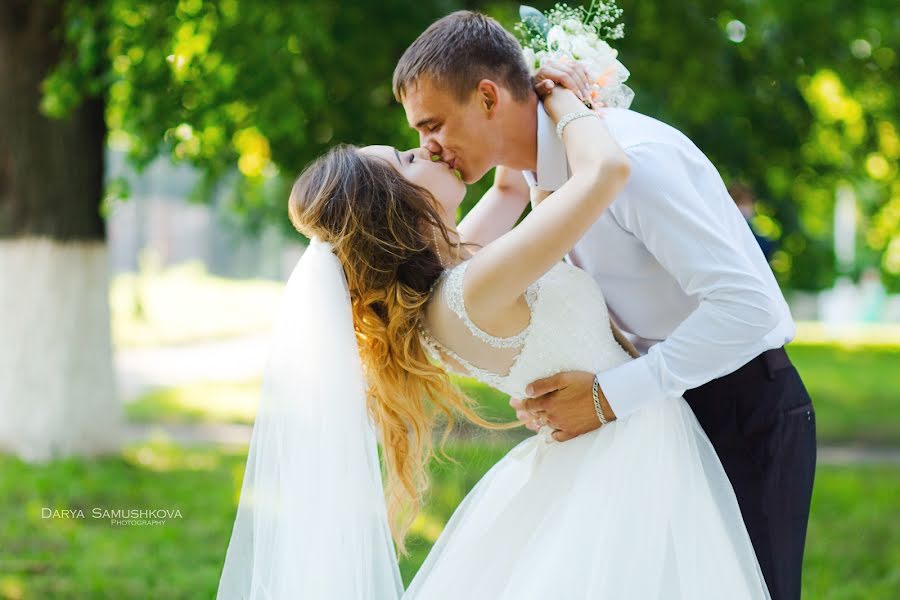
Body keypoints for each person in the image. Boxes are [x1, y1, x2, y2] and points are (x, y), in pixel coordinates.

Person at [216, 61, 771, 600]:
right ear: (399, 207)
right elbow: (605, 173)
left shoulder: (443, 283)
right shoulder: (473, 287)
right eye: (410, 155)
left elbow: (510, 190)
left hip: (607, 441)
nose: (429, 147)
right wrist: (561, 98)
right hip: (627, 448)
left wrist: (517, 94)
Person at [392, 10, 815, 600]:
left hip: (740, 409)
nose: (428, 149)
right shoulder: (547, 177)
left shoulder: (631, 162)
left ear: (487, 97)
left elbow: (749, 311)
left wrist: (608, 398)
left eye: (432, 125)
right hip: (650, 428)